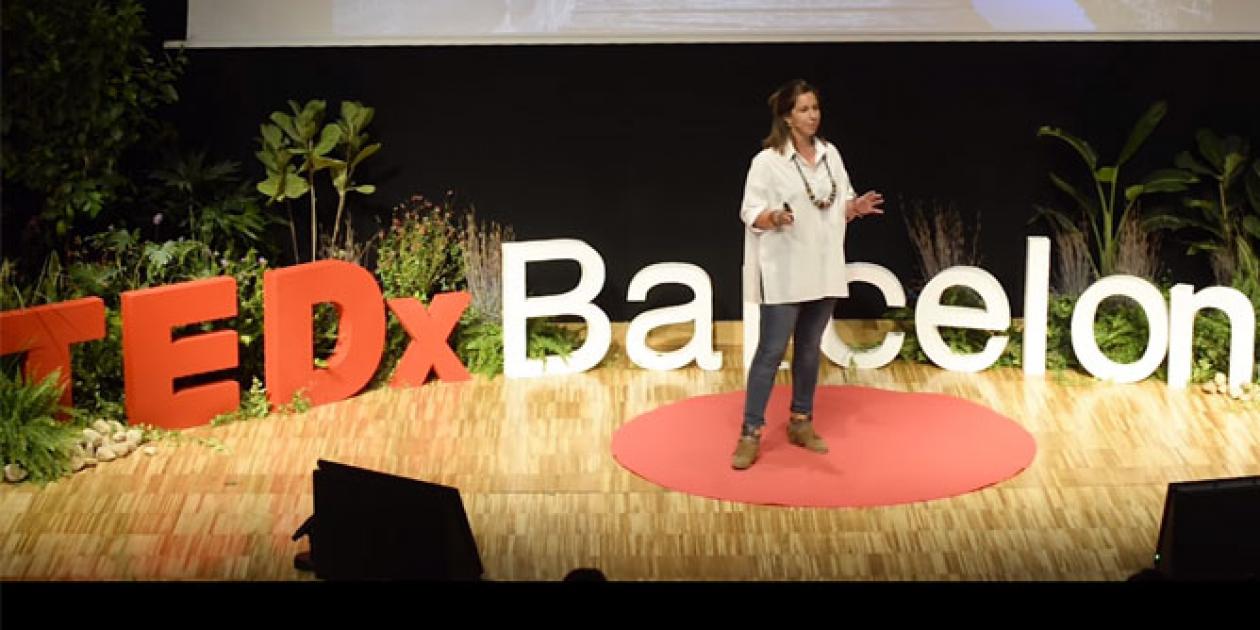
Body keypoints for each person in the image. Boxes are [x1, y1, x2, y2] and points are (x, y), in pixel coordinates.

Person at [733, 79, 884, 470]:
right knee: (771, 351)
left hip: (823, 265)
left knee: (809, 348)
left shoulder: (831, 154)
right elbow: (750, 212)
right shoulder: (767, 162)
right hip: (784, 269)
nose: (812, 115)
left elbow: (837, 202)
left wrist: (856, 207)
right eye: (803, 109)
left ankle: (801, 420)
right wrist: (774, 217)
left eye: (815, 108)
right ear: (787, 116)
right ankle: (750, 431)